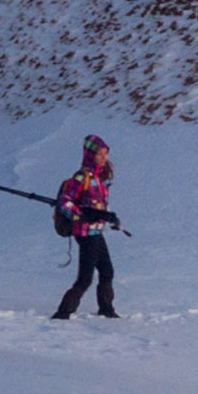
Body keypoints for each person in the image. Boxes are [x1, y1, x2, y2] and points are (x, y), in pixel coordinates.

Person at [50, 136, 123, 319]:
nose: (104, 158)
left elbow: (97, 205)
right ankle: (64, 312)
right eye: (100, 154)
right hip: (85, 233)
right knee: (85, 278)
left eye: (105, 154)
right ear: (91, 155)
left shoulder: (100, 179)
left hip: (96, 231)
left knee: (107, 271)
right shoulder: (82, 177)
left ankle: (106, 309)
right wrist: (81, 216)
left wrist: (107, 217)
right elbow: (64, 203)